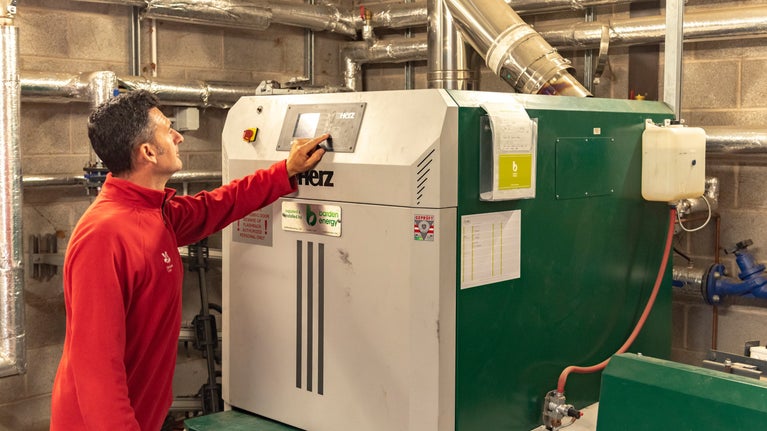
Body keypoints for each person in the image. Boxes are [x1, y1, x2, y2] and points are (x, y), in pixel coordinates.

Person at [49, 90, 328, 430]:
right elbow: (95, 368)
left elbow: (216, 206)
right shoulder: (104, 235)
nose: (179, 136)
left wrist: (286, 170)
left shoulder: (153, 213)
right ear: (147, 152)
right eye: (168, 130)